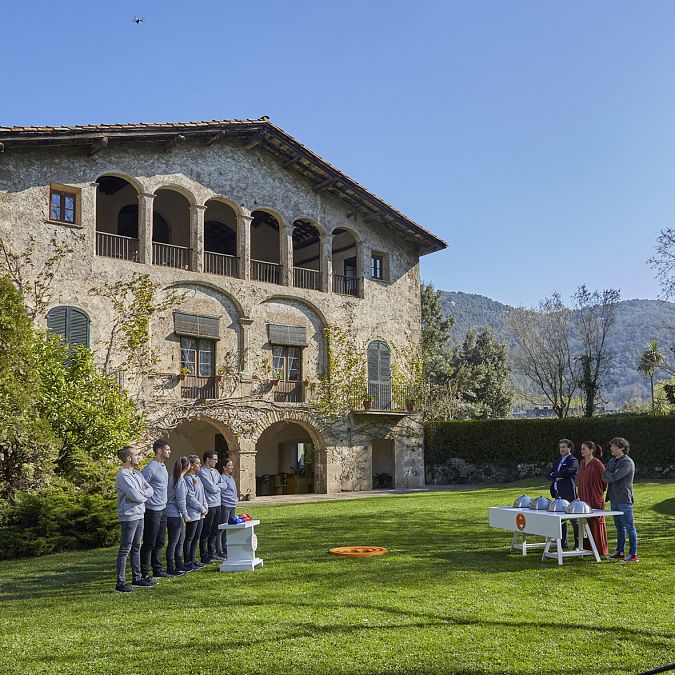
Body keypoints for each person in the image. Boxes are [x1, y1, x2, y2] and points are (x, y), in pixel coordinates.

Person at [114, 446, 154, 592]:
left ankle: (137, 578)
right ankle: (120, 582)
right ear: (129, 458)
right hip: (129, 516)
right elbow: (135, 496)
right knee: (126, 548)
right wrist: (142, 495)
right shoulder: (123, 476)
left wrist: (141, 494)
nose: (140, 457)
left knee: (137, 546)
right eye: (137, 455)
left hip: (140, 514)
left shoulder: (137, 474)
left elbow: (150, 489)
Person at [139, 439, 171, 582]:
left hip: (163, 509)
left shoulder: (162, 466)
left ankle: (157, 569)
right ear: (159, 451)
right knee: (149, 542)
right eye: (167, 449)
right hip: (152, 510)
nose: (170, 451)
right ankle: (143, 573)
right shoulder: (150, 468)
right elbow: (140, 486)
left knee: (160, 541)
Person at [603, 437, 638, 563]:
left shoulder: (627, 462)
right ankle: (620, 551)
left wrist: (610, 475)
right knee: (619, 527)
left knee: (629, 527)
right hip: (614, 499)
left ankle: (633, 554)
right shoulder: (612, 461)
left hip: (624, 499)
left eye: (614, 446)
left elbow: (615, 477)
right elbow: (605, 476)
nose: (611, 448)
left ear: (621, 448)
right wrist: (610, 475)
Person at [577, 441, 608, 557]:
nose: (582, 451)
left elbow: (605, 481)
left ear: (591, 450)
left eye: (584, 449)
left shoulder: (597, 464)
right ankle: (587, 548)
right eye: (581, 449)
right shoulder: (581, 463)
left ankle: (600, 549)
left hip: (595, 497)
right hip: (583, 497)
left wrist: (597, 493)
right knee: (585, 522)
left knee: (596, 521)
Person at [547, 438, 579, 549]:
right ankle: (563, 542)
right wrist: (557, 475)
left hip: (568, 493)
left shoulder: (573, 460)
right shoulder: (558, 461)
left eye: (564, 447)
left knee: (574, 519)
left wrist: (557, 474)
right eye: (560, 447)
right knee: (560, 519)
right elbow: (548, 474)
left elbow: (567, 472)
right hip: (557, 494)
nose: (562, 449)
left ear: (569, 448)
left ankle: (578, 544)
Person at [166, 455, 191, 576]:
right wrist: (186, 515)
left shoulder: (174, 477)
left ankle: (179, 564)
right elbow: (180, 500)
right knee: (174, 542)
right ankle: (171, 567)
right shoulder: (179, 480)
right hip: (174, 515)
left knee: (179, 540)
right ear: (187, 467)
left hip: (175, 514)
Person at [183, 455, 208, 571]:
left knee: (196, 537)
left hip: (201, 513)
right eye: (197, 463)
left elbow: (202, 494)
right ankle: (187, 560)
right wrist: (201, 508)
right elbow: (190, 497)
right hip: (193, 512)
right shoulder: (187, 479)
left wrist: (205, 506)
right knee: (190, 537)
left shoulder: (197, 478)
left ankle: (193, 559)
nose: (200, 465)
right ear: (191, 465)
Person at [198, 450, 222, 563]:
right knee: (206, 531)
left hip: (218, 503)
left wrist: (217, 486)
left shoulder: (216, 471)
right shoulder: (202, 472)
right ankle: (204, 555)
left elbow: (224, 484)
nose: (216, 462)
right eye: (214, 459)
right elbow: (211, 488)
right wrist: (218, 487)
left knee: (215, 530)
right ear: (208, 459)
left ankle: (212, 553)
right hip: (209, 505)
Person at [216, 458, 238, 558]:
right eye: (229, 465)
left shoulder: (230, 477)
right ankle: (219, 549)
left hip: (232, 505)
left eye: (232, 465)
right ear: (224, 467)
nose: (231, 467)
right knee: (222, 528)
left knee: (229, 528)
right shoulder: (221, 478)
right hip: (225, 506)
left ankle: (226, 548)